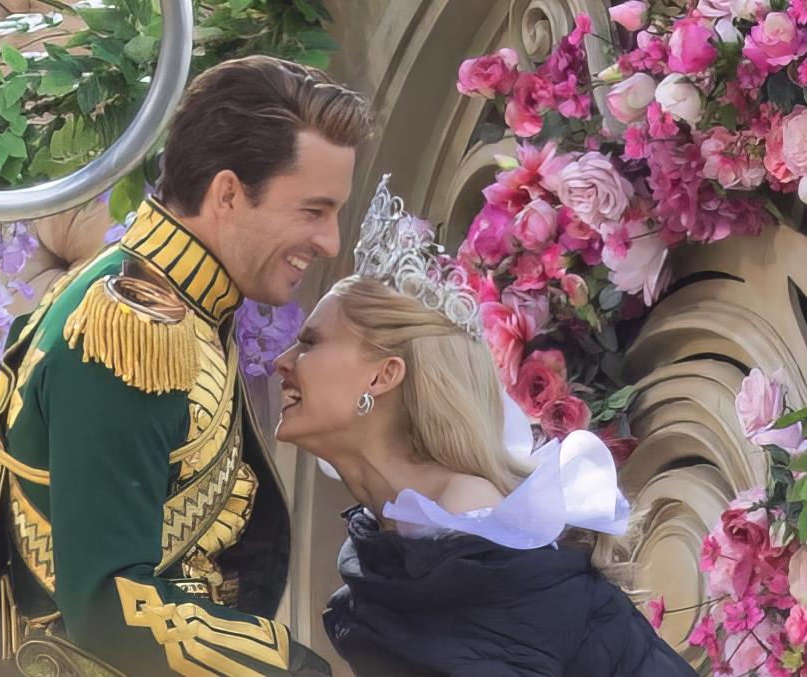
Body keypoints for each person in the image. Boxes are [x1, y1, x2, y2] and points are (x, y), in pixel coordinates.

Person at [0, 55, 372, 677]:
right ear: (227, 194)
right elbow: (110, 606)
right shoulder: (130, 331)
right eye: (313, 210)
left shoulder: (179, 298)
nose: (330, 241)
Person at [273, 176, 696, 676]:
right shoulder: (400, 538)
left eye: (310, 341)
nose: (283, 360)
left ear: (383, 375)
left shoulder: (469, 520)